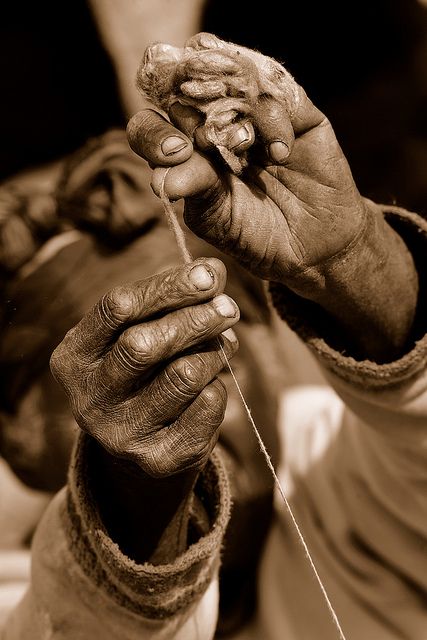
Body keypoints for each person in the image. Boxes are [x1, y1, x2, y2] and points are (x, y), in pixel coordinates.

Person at [1, 32, 427, 640]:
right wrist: (134, 503)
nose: (193, 395)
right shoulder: (17, 594)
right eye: (129, 368)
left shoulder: (327, 458)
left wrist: (352, 258)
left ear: (268, 344)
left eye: (212, 345)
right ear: (20, 438)